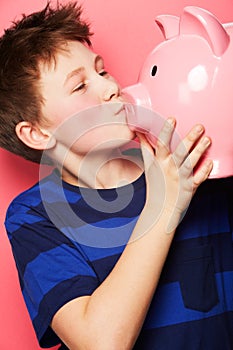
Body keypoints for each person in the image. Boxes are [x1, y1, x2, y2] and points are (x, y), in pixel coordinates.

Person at [1, 2, 232, 350]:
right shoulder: (34, 215)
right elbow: (101, 343)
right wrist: (165, 203)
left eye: (102, 71)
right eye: (80, 86)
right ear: (38, 134)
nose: (112, 88)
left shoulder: (194, 164)